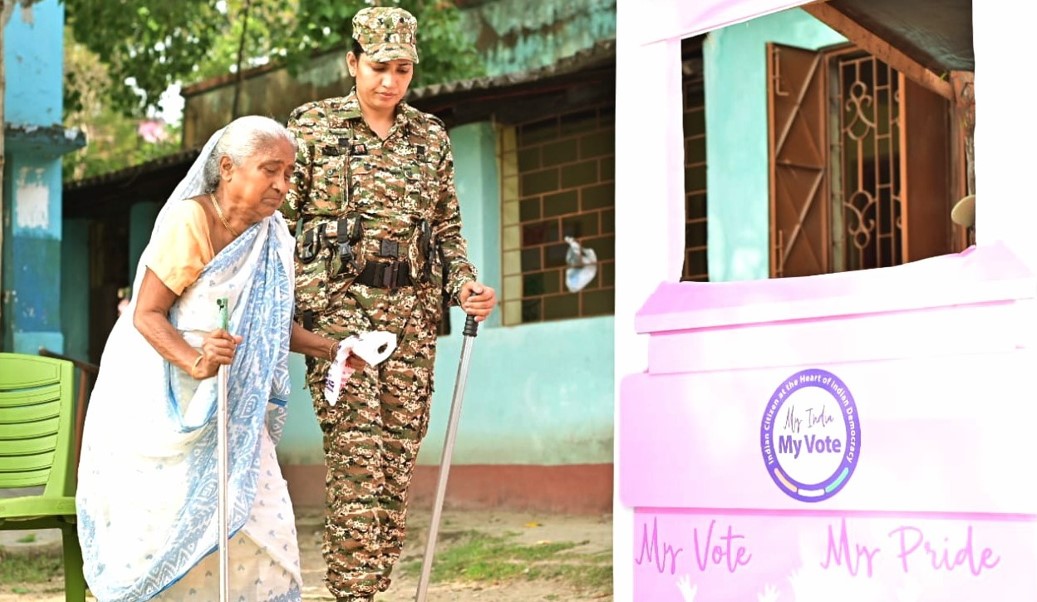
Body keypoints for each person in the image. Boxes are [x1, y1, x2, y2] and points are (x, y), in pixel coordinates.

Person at [76, 115, 363, 602]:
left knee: (265, 528)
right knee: (164, 532)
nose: (282, 185)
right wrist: (195, 361)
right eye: (270, 169)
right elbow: (147, 313)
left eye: (289, 173)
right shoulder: (192, 222)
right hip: (169, 404)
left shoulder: (272, 237)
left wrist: (332, 348)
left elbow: (268, 322)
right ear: (227, 167)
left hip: (238, 413)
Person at [281, 6, 497, 601]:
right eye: (378, 67)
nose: (390, 82)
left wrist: (466, 287)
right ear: (352, 63)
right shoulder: (312, 128)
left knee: (394, 471)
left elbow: (448, 232)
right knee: (358, 462)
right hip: (339, 319)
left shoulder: (430, 138)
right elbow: (279, 223)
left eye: (402, 69)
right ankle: (353, 595)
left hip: (411, 323)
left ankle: (371, 588)